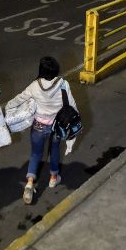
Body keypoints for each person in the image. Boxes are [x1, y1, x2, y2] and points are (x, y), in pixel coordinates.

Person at [6, 56, 77, 205]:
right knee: (55, 150)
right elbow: (72, 105)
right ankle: (53, 178)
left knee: (36, 154)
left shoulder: (34, 86)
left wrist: (8, 107)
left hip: (38, 126)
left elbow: (19, 99)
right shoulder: (64, 84)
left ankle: (30, 183)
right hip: (56, 126)